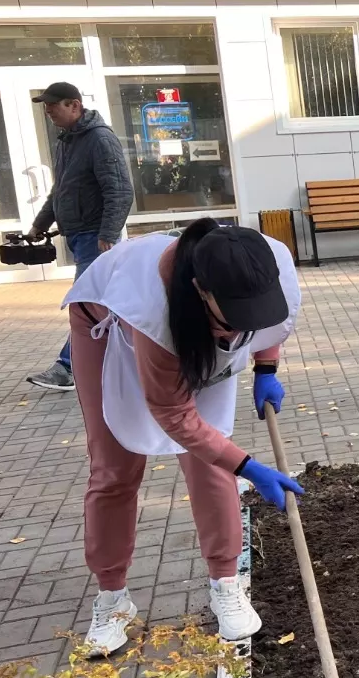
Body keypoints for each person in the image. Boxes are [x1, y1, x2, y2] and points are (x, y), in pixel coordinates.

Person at [64, 219, 304, 654]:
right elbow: (174, 414)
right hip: (106, 326)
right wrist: (249, 467)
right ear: (201, 291)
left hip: (188, 326)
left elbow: (270, 321)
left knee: (212, 461)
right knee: (114, 468)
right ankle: (113, 598)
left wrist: (266, 368)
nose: (236, 337)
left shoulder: (267, 262)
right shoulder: (153, 309)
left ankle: (226, 583)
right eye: (231, 322)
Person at [25, 82, 134, 393]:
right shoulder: (67, 142)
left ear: (74, 105)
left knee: (84, 304)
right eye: (45, 106)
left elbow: (120, 190)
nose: (47, 111)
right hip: (80, 236)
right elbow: (60, 191)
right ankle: (131, 361)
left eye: (52, 105)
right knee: (108, 305)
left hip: (96, 238)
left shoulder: (99, 139)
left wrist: (108, 234)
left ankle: (67, 368)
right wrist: (39, 225)